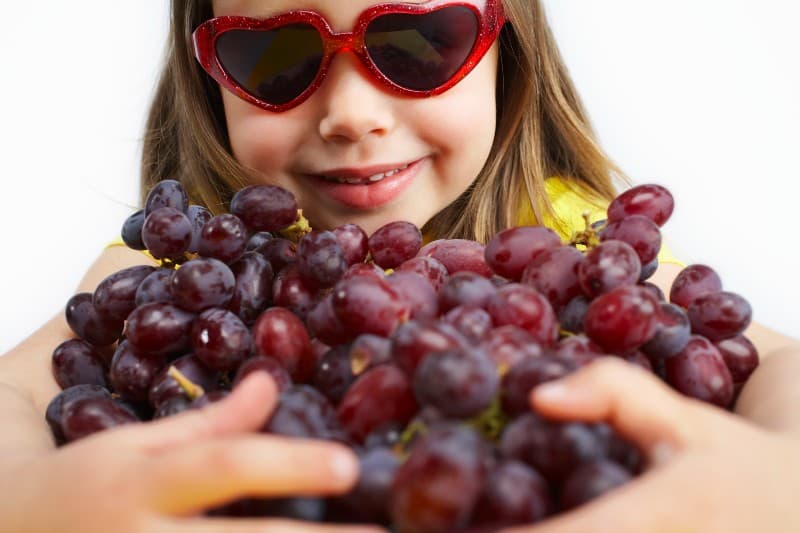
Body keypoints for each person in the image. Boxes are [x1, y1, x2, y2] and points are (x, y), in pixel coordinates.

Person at [0, 0, 798, 531]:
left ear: (505, 41)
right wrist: (27, 501)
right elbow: (21, 388)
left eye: (417, 44)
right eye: (272, 54)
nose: (351, 117)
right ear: (211, 79)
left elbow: (773, 360)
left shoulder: (577, 245)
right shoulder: (173, 268)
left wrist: (774, 480)